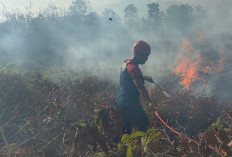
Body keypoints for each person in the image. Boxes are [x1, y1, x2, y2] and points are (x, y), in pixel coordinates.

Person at [116, 40, 154, 134]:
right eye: (146, 56)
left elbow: (128, 78)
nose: (147, 59)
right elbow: (139, 86)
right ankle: (143, 147)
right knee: (144, 125)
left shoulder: (127, 63)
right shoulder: (134, 68)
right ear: (138, 54)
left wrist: (143, 77)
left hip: (121, 101)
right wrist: (149, 102)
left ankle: (120, 147)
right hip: (130, 104)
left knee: (126, 129)